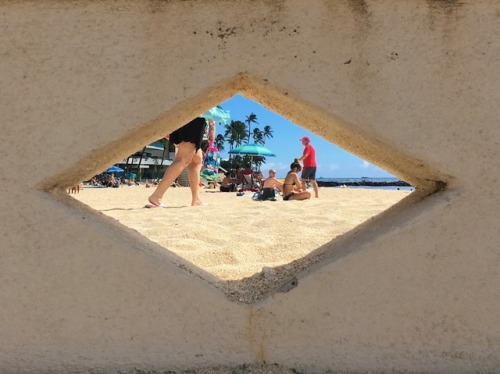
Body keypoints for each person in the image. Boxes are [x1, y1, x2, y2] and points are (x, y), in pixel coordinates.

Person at [147, 117, 214, 207]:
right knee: (182, 159)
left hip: (184, 116)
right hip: (194, 118)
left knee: (196, 160)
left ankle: (196, 199)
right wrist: (212, 126)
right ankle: (156, 196)